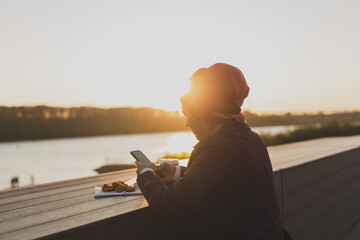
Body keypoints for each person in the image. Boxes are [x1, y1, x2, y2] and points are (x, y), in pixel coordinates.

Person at [136, 63, 283, 239]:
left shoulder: (220, 149)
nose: (187, 123)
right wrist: (177, 173)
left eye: (187, 114)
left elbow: (170, 205)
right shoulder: (250, 139)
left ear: (204, 113)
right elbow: (223, 179)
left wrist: (145, 173)